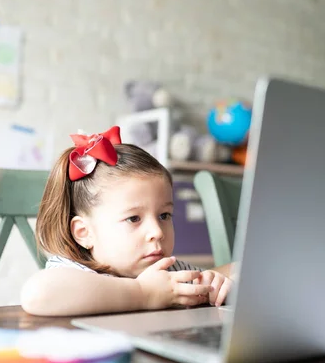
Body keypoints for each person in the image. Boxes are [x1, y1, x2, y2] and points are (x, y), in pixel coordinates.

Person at [20, 126, 234, 316]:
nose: (157, 232)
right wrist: (145, 293)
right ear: (84, 233)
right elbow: (37, 294)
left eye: (164, 215)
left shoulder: (166, 272)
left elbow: (235, 270)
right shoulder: (74, 271)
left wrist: (214, 281)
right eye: (133, 218)